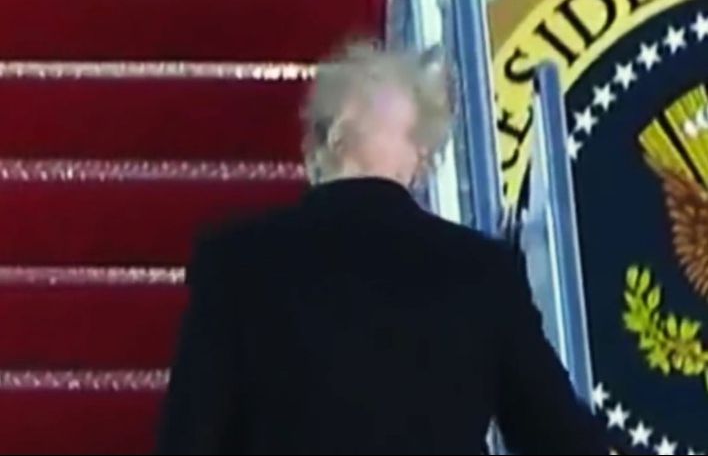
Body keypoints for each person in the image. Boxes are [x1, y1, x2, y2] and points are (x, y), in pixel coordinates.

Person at [158, 42, 612, 455]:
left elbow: (189, 439)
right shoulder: (483, 271)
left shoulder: (235, 261)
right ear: (420, 158)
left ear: (324, 143)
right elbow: (561, 439)